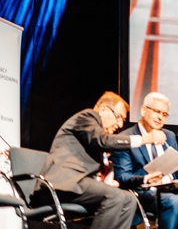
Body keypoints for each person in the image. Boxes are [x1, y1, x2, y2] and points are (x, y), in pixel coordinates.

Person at [32, 91, 167, 229]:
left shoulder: (96, 134)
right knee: (116, 197)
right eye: (118, 117)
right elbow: (102, 141)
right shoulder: (87, 116)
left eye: (123, 120)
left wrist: (105, 182)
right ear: (103, 109)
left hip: (79, 184)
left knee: (129, 200)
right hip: (64, 183)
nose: (120, 124)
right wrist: (145, 139)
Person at [112, 92, 178, 229]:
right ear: (144, 110)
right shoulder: (127, 138)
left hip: (175, 189)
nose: (160, 117)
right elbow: (122, 176)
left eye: (164, 114)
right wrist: (147, 177)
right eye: (157, 112)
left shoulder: (169, 136)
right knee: (173, 200)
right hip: (147, 192)